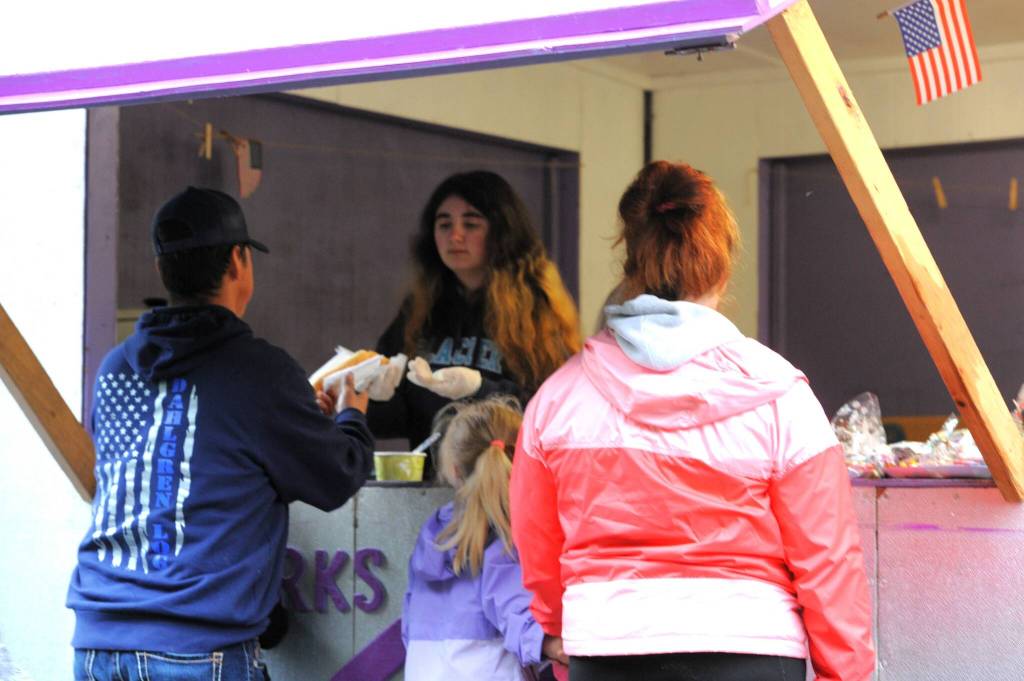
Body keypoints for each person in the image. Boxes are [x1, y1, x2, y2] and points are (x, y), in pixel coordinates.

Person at [510, 161, 876, 681]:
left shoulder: (557, 400)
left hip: (607, 646)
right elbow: (828, 559)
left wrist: (561, 630)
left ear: (629, 259)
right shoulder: (780, 393)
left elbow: (537, 546)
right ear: (722, 265)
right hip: (753, 648)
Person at [66, 187, 375, 680]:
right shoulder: (258, 372)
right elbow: (337, 475)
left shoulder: (115, 368)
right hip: (195, 649)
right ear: (238, 261)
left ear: (161, 270)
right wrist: (351, 415)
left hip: (99, 645)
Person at [367, 170, 580, 474]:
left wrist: (481, 388)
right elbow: (395, 421)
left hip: (507, 482)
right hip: (435, 483)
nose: (455, 236)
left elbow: (555, 410)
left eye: (471, 224)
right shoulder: (419, 308)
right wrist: (374, 400)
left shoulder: (537, 308)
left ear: (501, 232)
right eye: (444, 224)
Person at [402, 396, 568, 680]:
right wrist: (553, 645)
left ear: (454, 470)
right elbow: (516, 610)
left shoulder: (434, 530)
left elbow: (409, 617)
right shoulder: (508, 529)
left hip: (423, 669)